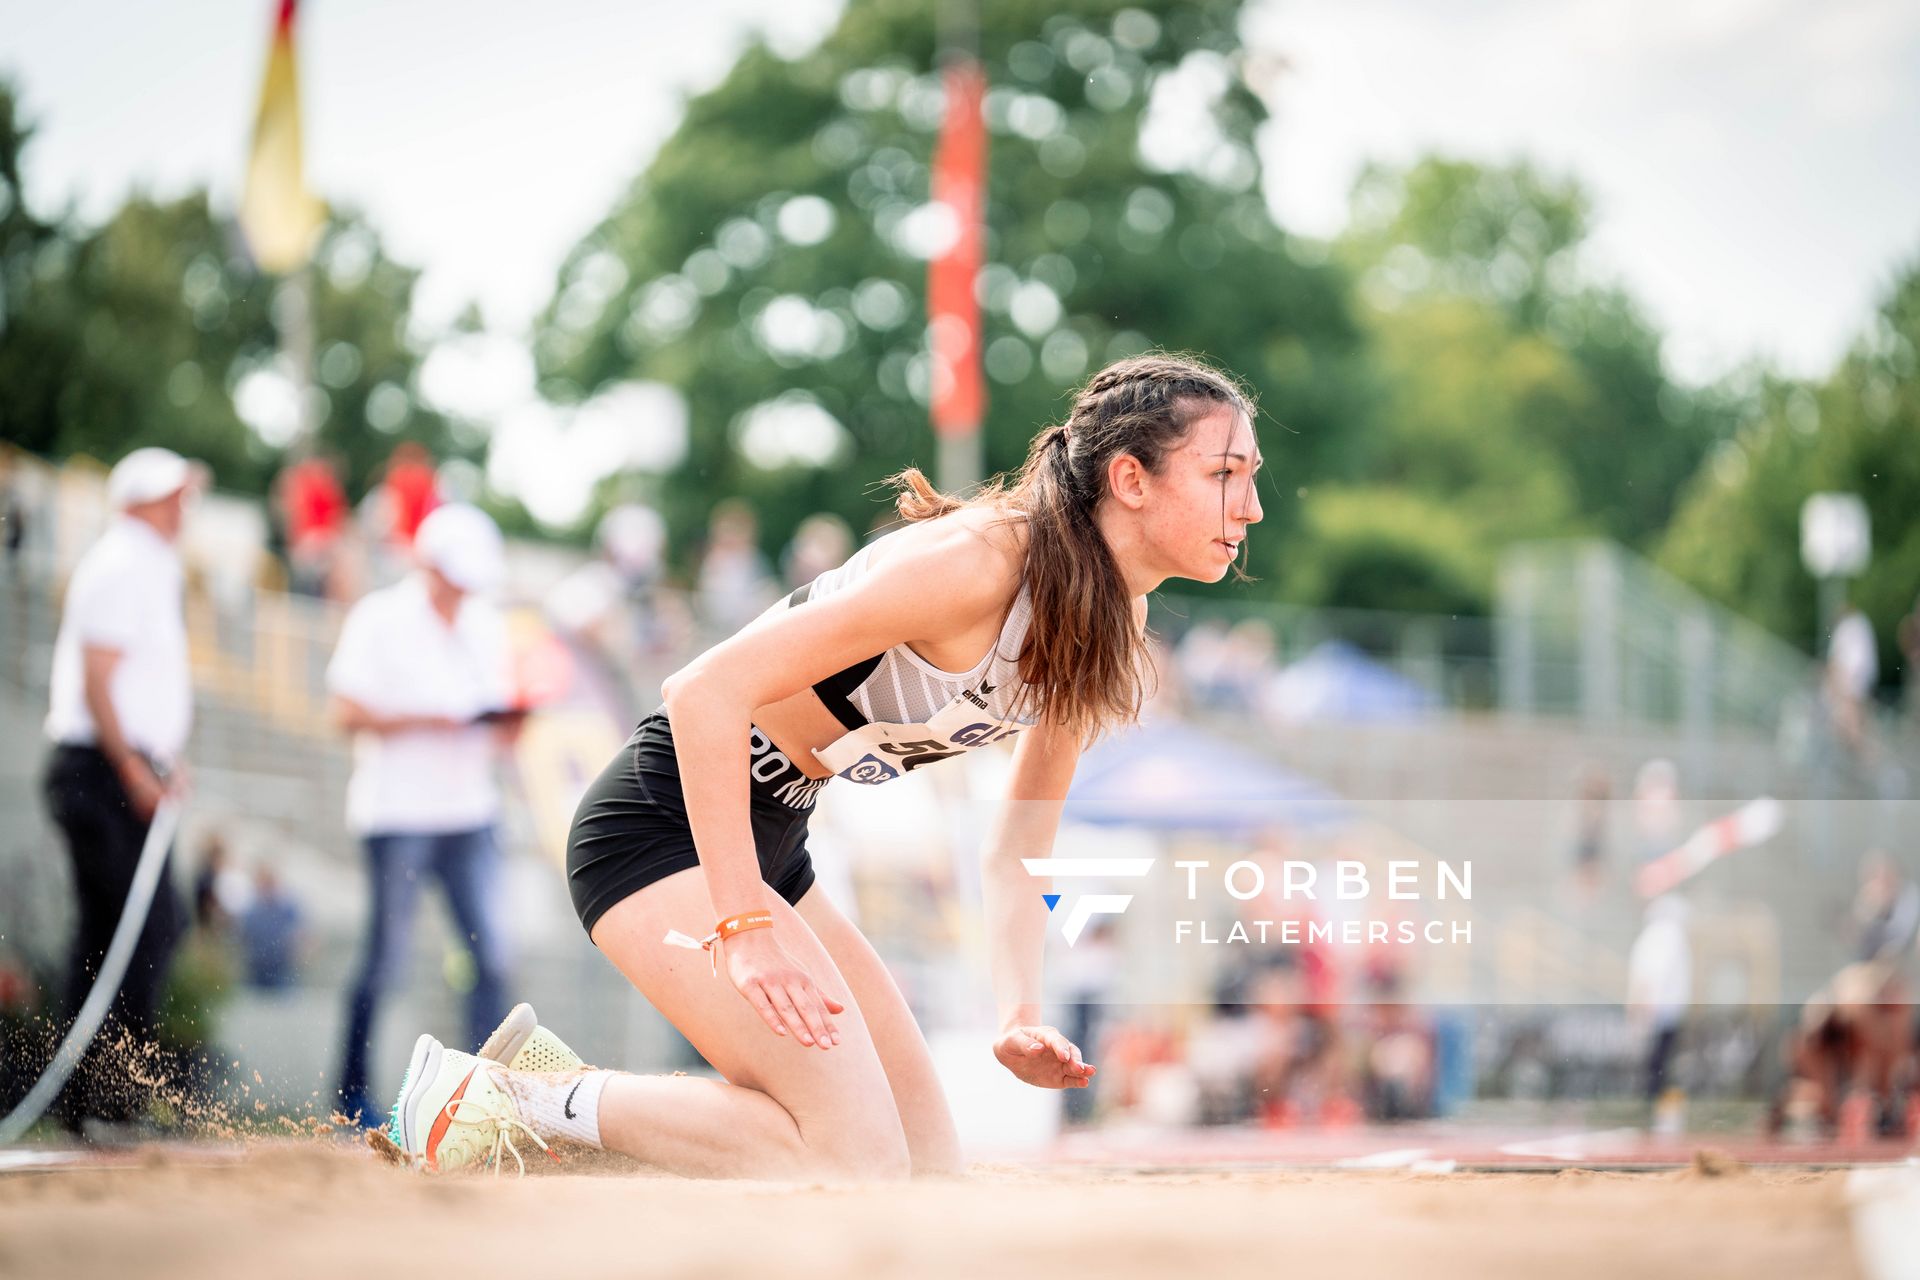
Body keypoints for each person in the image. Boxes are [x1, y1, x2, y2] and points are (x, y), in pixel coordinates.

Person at [382, 353, 1265, 1177]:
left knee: (926, 1171)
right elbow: (701, 693)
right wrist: (741, 928)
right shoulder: (977, 566)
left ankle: (541, 1093)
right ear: (1130, 480)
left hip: (777, 840)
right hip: (663, 822)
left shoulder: (1109, 617)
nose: (1252, 507)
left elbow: (1020, 843)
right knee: (851, 1161)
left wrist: (1019, 1013)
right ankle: (508, 1100)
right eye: (1227, 474)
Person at [327, 503, 518, 1126]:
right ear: (428, 565)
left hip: (470, 811)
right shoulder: (379, 618)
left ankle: (481, 1101)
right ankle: (351, 1099)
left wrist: (507, 720)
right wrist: (427, 718)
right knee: (386, 960)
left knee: (489, 956)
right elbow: (344, 713)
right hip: (398, 813)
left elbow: (499, 720)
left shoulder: (487, 624)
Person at [40, 447, 201, 1133]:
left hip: (120, 767)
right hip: (102, 772)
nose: (181, 508)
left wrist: (156, 760)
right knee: (129, 934)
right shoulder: (121, 561)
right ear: (138, 501)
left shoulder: (145, 564)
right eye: (170, 496)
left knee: (134, 931)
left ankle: (107, 1101)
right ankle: (101, 1102)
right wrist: (136, 767)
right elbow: (97, 677)